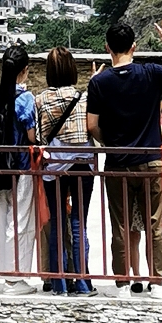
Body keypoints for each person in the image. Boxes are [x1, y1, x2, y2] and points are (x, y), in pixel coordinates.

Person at [86, 17, 162, 297]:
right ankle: (157, 282)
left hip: (117, 163)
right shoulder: (151, 73)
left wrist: (110, 142)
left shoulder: (99, 83)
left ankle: (123, 283)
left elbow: (91, 126)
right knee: (154, 224)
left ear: (107, 47)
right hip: (150, 161)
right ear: (134, 46)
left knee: (121, 227)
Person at [35, 47, 96, 296]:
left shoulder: (40, 99)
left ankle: (59, 282)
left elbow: (39, 135)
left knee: (57, 222)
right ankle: (81, 281)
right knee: (79, 223)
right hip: (84, 162)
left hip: (56, 164)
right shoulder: (85, 96)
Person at [0, 45, 38, 292]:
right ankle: (15, 278)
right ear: (24, 70)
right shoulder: (25, 99)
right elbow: (31, 135)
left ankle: (4, 272)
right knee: (19, 222)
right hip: (20, 167)